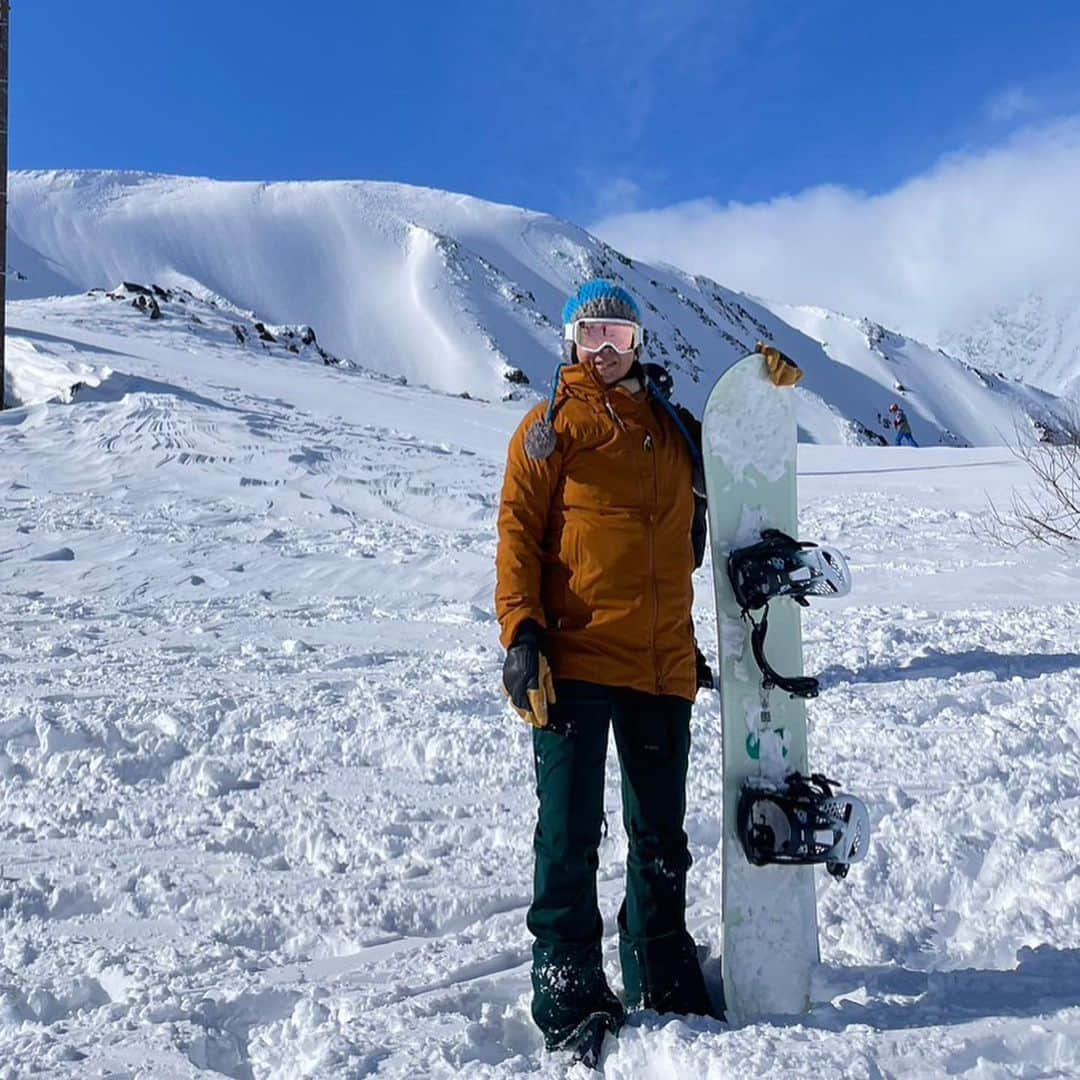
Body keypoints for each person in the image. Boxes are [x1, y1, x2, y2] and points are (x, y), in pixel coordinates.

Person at [495, 279, 717, 1054]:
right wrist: (521, 637)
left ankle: (661, 964)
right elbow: (518, 534)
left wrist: (762, 397)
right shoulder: (547, 430)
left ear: (641, 345)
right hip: (574, 658)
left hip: (660, 663)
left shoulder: (675, 430)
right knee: (568, 832)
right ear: (569, 345)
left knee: (661, 835)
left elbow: (738, 489)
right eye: (592, 339)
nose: (606, 353)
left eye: (619, 339)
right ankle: (569, 983)